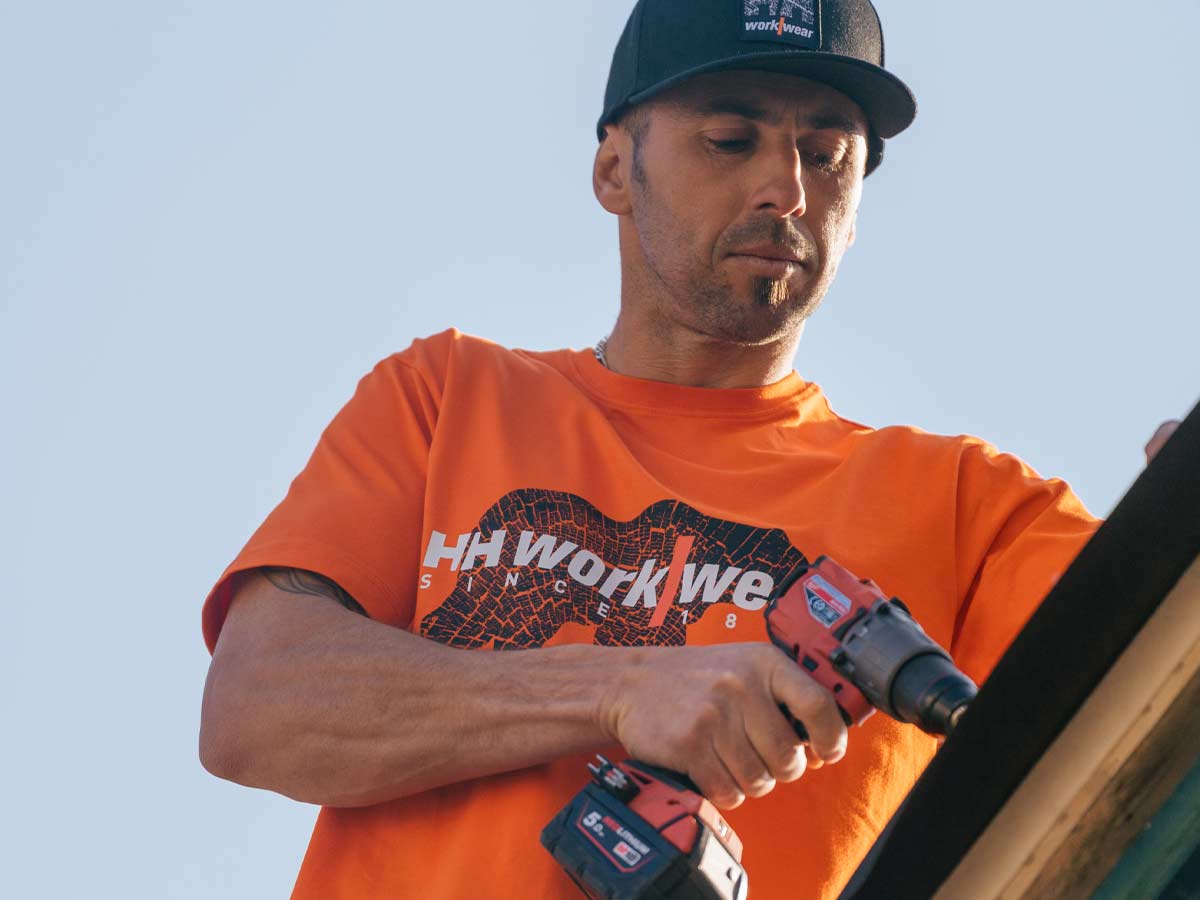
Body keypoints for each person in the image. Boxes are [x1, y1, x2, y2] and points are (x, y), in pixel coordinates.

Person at [197, 1, 1182, 897]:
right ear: (614, 168)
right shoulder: (450, 398)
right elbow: (258, 707)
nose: (785, 188)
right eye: (730, 136)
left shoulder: (972, 507)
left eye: (830, 153)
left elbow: (1160, 697)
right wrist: (618, 689)